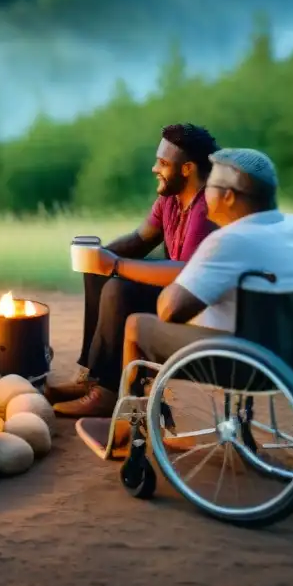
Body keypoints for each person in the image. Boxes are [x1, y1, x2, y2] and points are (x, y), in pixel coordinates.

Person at [80, 148, 293, 416]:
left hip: (240, 359)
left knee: (137, 325)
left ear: (228, 196)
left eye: (210, 186)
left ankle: (130, 423)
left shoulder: (228, 240)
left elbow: (170, 310)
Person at [51, 123, 221, 416]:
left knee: (119, 289)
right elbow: (141, 239)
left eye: (163, 163)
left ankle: (107, 391)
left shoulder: (204, 207)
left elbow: (186, 272)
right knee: (99, 272)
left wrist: (116, 265)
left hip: (192, 304)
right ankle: (92, 375)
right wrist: (100, 257)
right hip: (173, 292)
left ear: (187, 169)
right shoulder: (169, 200)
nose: (155, 168)